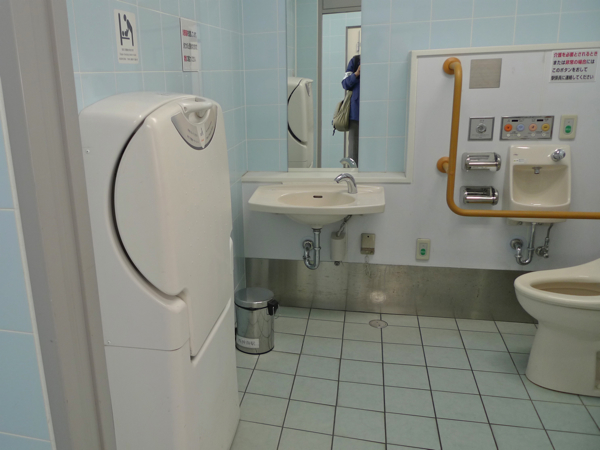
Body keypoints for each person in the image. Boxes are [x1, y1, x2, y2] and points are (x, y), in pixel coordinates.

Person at [342, 55, 360, 165]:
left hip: (375, 115)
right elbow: (345, 83)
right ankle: (353, 173)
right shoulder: (356, 61)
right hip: (356, 115)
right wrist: (356, 73)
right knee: (354, 152)